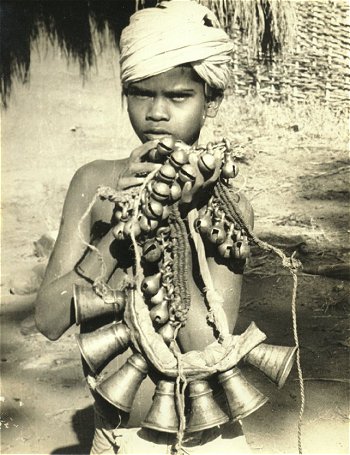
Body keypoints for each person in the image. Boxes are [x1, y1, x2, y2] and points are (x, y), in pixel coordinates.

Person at [35, 1, 256, 453]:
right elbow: (49, 319)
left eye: (178, 97)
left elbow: (202, 349)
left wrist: (187, 215)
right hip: (118, 436)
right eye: (140, 94)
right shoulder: (96, 183)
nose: (157, 113)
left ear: (209, 99)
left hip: (208, 437)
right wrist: (120, 228)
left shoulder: (229, 209)